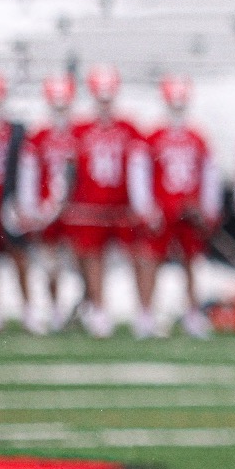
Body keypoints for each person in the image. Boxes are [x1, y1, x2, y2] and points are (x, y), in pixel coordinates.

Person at [62, 65, 152, 338]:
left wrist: (142, 204)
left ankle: (144, 311)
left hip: (122, 205)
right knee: (93, 258)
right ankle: (99, 311)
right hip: (89, 205)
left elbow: (140, 167)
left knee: (140, 255)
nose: (104, 103)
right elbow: (67, 170)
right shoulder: (79, 128)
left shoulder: (128, 127)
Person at [137, 75, 220, 339]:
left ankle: (193, 314)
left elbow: (209, 174)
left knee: (190, 262)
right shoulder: (154, 136)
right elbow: (141, 173)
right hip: (163, 207)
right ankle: (146, 314)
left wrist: (207, 208)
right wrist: (147, 208)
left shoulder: (197, 137)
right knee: (151, 259)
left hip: (189, 208)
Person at [18, 73, 78, 335]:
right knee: (50, 262)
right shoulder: (39, 135)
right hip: (48, 209)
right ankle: (55, 309)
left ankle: (82, 307)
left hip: (76, 209)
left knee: (80, 259)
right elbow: (29, 173)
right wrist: (35, 207)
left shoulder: (79, 133)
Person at [0, 72, 30, 334]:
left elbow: (28, 165)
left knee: (18, 255)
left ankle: (28, 308)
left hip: (9, 199)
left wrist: (24, 200)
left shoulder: (15, 130)